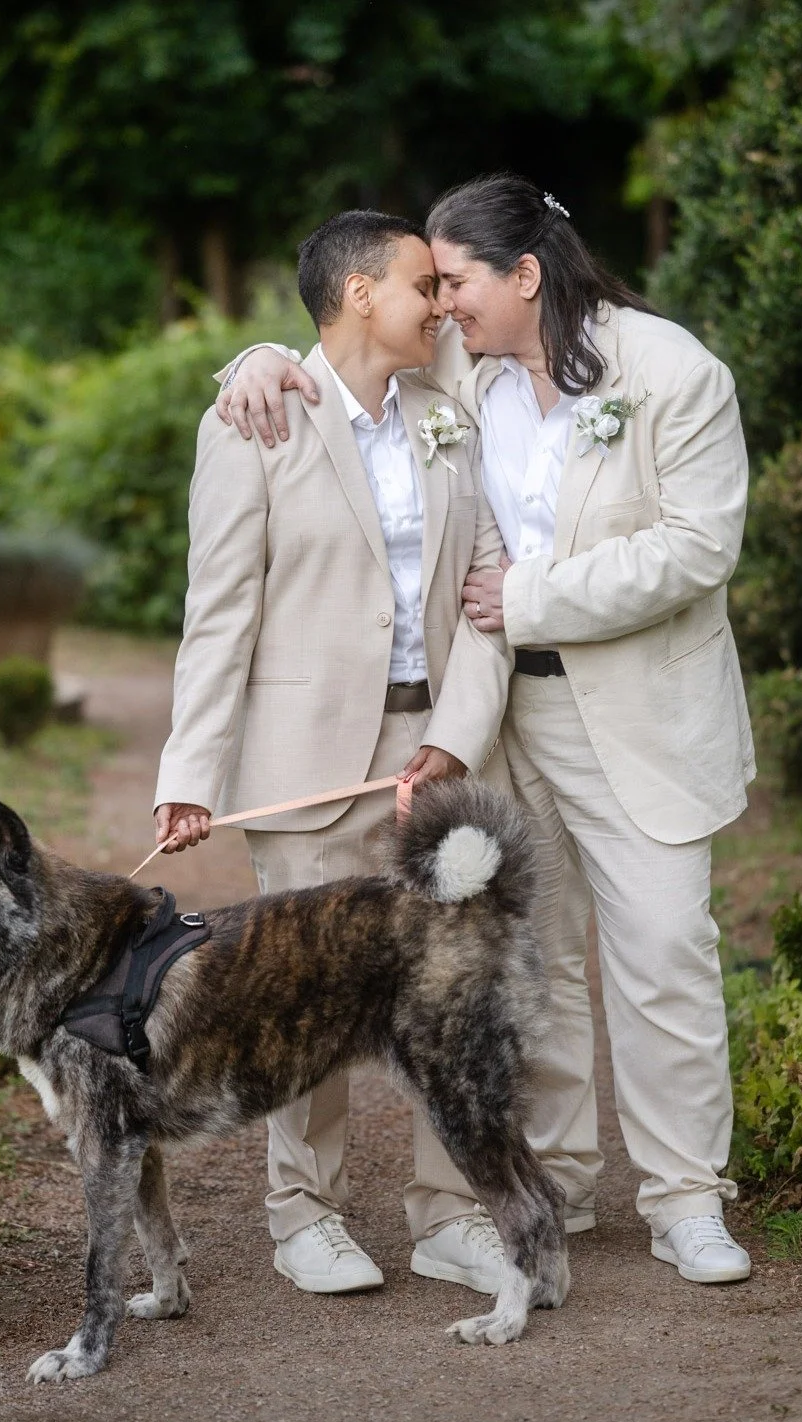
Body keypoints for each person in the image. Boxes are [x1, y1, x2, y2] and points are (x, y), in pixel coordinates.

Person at [215, 173, 758, 1284]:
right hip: (504, 714)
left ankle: (688, 1200)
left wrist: (531, 597)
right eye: (433, 285)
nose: (442, 301)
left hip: (643, 707)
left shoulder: (673, 372)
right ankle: (554, 1182)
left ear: (526, 275)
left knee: (662, 951)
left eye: (455, 279)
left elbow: (700, 548)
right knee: (528, 961)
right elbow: (349, 355)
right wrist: (253, 362)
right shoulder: (457, 369)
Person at [153, 210, 518, 1298]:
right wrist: (188, 777)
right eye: (422, 285)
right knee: (305, 996)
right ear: (360, 294)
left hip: (438, 755)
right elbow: (218, 614)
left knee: (451, 988)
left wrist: (453, 738)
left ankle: (451, 1214)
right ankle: (303, 1215)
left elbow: (487, 598)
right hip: (305, 762)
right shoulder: (254, 422)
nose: (441, 304)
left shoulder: (448, 409)